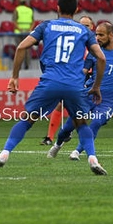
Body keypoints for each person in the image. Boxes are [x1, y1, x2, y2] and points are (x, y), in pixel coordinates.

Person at [0, 0, 108, 175]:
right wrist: (96, 86)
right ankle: (92, 159)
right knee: (81, 123)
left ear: (57, 8)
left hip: (50, 81)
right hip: (75, 84)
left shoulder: (46, 25)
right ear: (75, 11)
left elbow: (20, 48)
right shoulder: (84, 31)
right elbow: (101, 58)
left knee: (27, 119)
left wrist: (14, 77)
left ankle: (3, 155)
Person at [48, 22, 113, 161]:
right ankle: (57, 145)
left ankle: (77, 151)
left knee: (96, 123)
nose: (97, 37)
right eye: (96, 34)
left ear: (111, 35)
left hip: (107, 102)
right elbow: (83, 71)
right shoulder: (94, 53)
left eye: (101, 35)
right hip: (89, 96)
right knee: (69, 126)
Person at [41, 15, 94, 145]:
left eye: (87, 25)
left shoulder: (94, 44)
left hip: (89, 79)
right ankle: (50, 137)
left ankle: (69, 131)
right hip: (73, 77)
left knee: (80, 110)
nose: (84, 27)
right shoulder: (75, 41)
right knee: (61, 104)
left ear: (92, 27)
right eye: (81, 25)